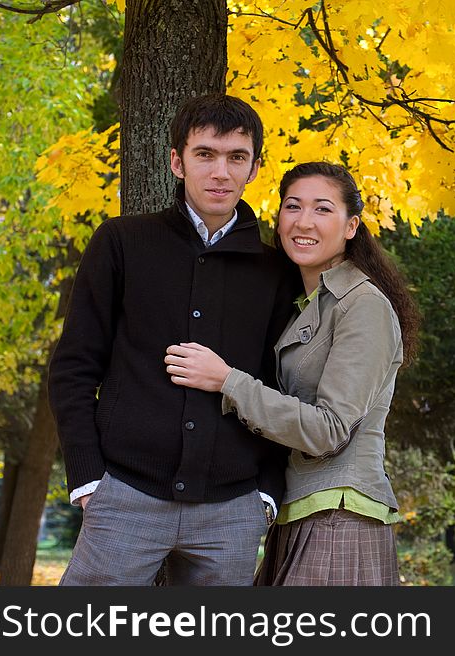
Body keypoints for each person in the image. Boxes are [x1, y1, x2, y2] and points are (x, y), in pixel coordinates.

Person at [48, 93, 300, 585]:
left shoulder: (276, 270)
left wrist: (265, 495)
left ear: (254, 168)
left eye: (236, 157)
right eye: (205, 154)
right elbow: (75, 366)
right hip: (123, 495)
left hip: (233, 508)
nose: (220, 172)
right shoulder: (121, 242)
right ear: (177, 162)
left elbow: (282, 386)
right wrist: (87, 479)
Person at [163, 161, 420, 586]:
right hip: (298, 510)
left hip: (340, 514)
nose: (304, 222)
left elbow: (329, 430)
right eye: (292, 206)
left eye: (322, 209)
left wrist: (226, 380)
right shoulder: (308, 303)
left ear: (351, 226)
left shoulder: (363, 305)